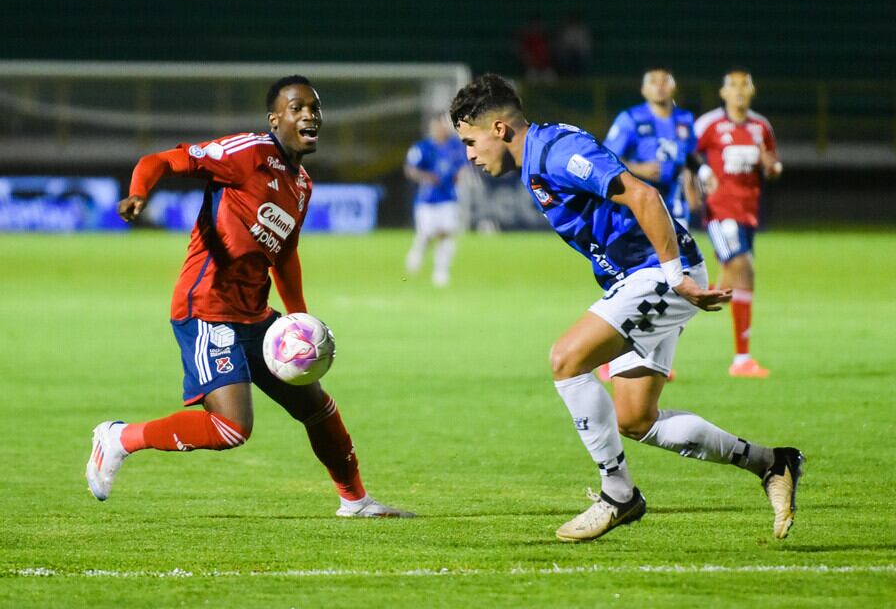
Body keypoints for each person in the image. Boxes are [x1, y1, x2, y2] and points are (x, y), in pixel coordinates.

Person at [450, 73, 802, 543]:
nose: (470, 156)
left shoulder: (555, 152)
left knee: (566, 359)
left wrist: (676, 277)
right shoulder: (539, 158)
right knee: (635, 419)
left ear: (498, 129)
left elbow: (644, 194)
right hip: (638, 276)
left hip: (657, 271)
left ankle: (618, 494)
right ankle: (772, 463)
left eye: (471, 142)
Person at [85, 75, 414, 519]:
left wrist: (299, 320)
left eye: (314, 108)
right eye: (297, 108)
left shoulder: (301, 185)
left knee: (315, 405)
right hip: (206, 308)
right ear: (274, 119)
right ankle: (119, 438)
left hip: (255, 316)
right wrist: (139, 193)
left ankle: (355, 501)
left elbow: (286, 256)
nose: (309, 115)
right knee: (231, 427)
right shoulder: (247, 154)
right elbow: (159, 160)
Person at [599, 67, 698, 381]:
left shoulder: (685, 120)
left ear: (674, 85)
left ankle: (656, 355)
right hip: (639, 212)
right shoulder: (630, 119)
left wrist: (694, 187)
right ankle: (607, 352)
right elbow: (606, 157)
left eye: (665, 79)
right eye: (653, 81)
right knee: (635, 281)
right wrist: (640, 167)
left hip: (676, 210)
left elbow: (690, 160)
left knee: (677, 285)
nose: (659, 86)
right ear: (643, 90)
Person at [694, 68, 782, 378]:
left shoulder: (760, 127)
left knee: (737, 283)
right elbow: (687, 156)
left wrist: (771, 165)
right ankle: (740, 358)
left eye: (746, 84)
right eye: (733, 85)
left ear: (753, 90)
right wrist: (694, 188)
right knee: (743, 268)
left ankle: (741, 357)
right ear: (724, 93)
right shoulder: (709, 125)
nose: (740, 90)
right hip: (720, 211)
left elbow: (773, 166)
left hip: (748, 214)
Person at [404, 113, 468, 287]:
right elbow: (411, 169)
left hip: (448, 198)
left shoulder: (456, 146)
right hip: (427, 200)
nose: (439, 129)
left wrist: (459, 175)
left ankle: (441, 271)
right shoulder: (423, 147)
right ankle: (418, 253)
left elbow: (463, 165)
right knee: (427, 235)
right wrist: (426, 176)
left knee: (446, 233)